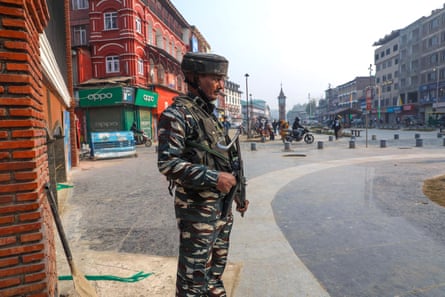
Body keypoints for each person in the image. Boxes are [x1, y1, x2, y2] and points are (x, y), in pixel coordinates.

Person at [157, 52, 249, 297]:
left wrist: (239, 194)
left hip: (221, 208)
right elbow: (167, 163)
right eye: (215, 78)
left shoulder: (211, 116)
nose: (220, 85)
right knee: (193, 279)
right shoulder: (176, 115)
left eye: (223, 79)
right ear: (194, 77)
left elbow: (224, 157)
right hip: (197, 210)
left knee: (214, 272)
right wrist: (214, 178)